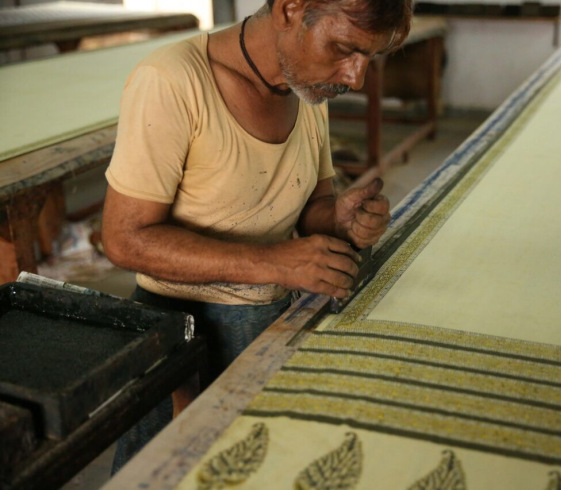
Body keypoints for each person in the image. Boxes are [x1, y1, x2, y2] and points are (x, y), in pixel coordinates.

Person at [101, 0, 413, 474]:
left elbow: (312, 209)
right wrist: (274, 263)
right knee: (162, 472)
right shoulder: (172, 81)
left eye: (369, 58)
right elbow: (125, 240)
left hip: (271, 314)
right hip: (183, 332)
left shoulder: (307, 87)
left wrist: (340, 219)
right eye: (345, 49)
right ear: (291, 9)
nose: (356, 79)